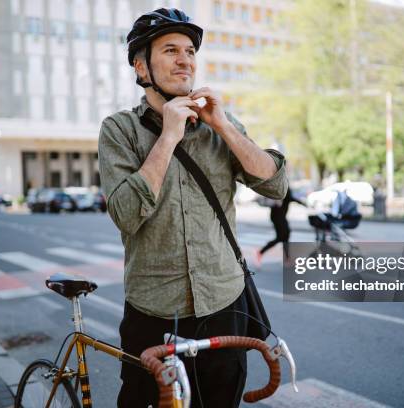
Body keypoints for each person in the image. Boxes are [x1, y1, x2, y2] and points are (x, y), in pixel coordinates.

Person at [97, 8, 288, 408]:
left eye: (189, 51)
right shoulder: (119, 130)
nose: (185, 60)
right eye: (170, 50)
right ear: (141, 66)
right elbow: (126, 213)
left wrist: (224, 127)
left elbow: (275, 185)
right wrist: (168, 137)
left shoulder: (221, 123)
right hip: (152, 309)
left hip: (222, 303)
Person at [256, 186, 305, 265]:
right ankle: (261, 252)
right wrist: (302, 203)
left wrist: (301, 202)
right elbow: (289, 197)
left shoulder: (284, 183)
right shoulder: (282, 184)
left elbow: (288, 198)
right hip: (277, 216)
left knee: (286, 235)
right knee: (281, 237)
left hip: (280, 215)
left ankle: (287, 258)